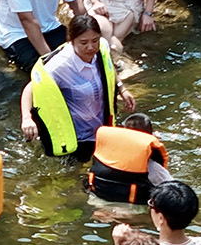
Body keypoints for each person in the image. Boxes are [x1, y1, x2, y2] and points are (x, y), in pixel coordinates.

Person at [20, 14, 134, 161]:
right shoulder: (58, 66)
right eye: (83, 42)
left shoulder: (102, 47)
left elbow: (108, 66)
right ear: (71, 41)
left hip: (101, 127)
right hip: (76, 137)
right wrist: (27, 118)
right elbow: (31, 87)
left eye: (95, 40)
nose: (91, 47)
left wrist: (121, 88)